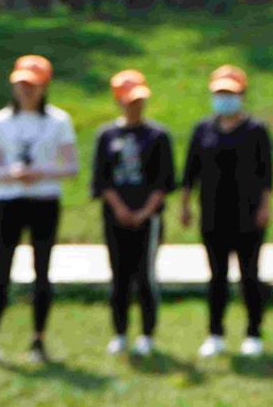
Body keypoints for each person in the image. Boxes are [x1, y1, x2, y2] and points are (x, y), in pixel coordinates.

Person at [0, 55, 79, 363]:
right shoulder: (0, 122)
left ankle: (38, 339)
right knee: (1, 272)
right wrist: (12, 174)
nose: (25, 90)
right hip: (9, 200)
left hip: (44, 201)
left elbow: (71, 167)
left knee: (42, 271)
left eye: (32, 85)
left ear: (44, 87)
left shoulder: (58, 121)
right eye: (21, 84)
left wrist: (40, 173)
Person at [180, 65, 273, 358]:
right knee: (217, 277)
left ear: (242, 95)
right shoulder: (203, 130)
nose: (224, 99)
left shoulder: (256, 131)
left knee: (249, 275)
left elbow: (267, 174)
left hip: (248, 215)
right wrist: (185, 205)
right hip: (213, 215)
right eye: (220, 93)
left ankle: (253, 333)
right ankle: (215, 334)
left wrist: (265, 206)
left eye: (230, 93)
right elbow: (190, 172)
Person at [91, 70, 176, 357]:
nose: (136, 106)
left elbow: (164, 181)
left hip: (148, 218)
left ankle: (147, 335)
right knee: (119, 276)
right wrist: (119, 208)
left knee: (145, 275)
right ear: (119, 101)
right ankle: (119, 333)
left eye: (140, 101)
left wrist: (144, 212)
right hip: (115, 216)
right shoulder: (107, 136)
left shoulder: (158, 136)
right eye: (130, 101)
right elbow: (101, 180)